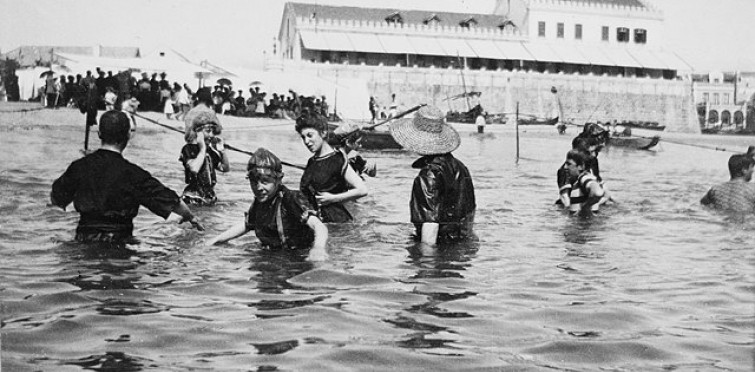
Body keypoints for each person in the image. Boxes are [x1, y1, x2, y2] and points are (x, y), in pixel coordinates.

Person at [50, 110, 202, 244]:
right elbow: (172, 201)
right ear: (128, 135)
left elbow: (56, 199)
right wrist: (191, 217)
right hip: (119, 243)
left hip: (83, 239)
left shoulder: (79, 167)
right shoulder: (134, 174)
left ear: (99, 134)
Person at [207, 148, 328, 261]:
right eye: (254, 182)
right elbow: (247, 224)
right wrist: (216, 240)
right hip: (273, 255)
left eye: (265, 181)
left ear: (278, 180)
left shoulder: (291, 199)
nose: (259, 188)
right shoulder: (260, 201)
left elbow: (319, 226)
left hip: (297, 257)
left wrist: (318, 249)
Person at [389, 105, 476, 245]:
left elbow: (430, 224)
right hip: (461, 244)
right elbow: (469, 214)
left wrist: (426, 263)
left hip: (439, 247)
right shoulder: (460, 167)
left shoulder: (428, 175)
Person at [296, 111, 368, 223]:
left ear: (323, 133)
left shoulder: (337, 159)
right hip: (319, 221)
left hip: (337, 223)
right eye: (303, 137)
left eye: (310, 135)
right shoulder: (312, 161)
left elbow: (362, 190)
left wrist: (332, 198)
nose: (306, 141)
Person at [179, 110, 230, 205]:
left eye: (213, 132)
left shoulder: (210, 151)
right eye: (208, 131)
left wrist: (222, 151)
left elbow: (225, 168)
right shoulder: (188, 149)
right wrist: (202, 148)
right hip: (193, 196)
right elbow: (194, 168)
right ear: (198, 132)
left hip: (208, 195)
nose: (211, 135)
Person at [559, 149, 605, 216]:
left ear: (581, 166)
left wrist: (585, 207)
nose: (565, 167)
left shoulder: (584, 178)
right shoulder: (580, 179)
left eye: (569, 164)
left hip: (582, 225)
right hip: (581, 225)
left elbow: (598, 192)